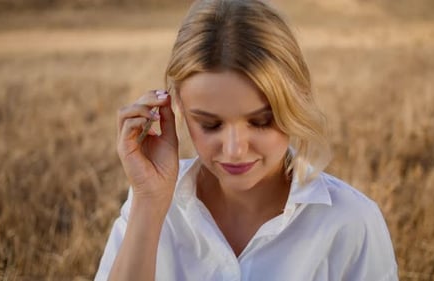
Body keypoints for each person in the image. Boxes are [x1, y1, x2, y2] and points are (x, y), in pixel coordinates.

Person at [94, 0, 398, 280]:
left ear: (295, 103)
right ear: (177, 111)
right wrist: (149, 201)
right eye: (210, 124)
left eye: (260, 121)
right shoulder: (148, 204)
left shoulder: (351, 222)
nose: (235, 149)